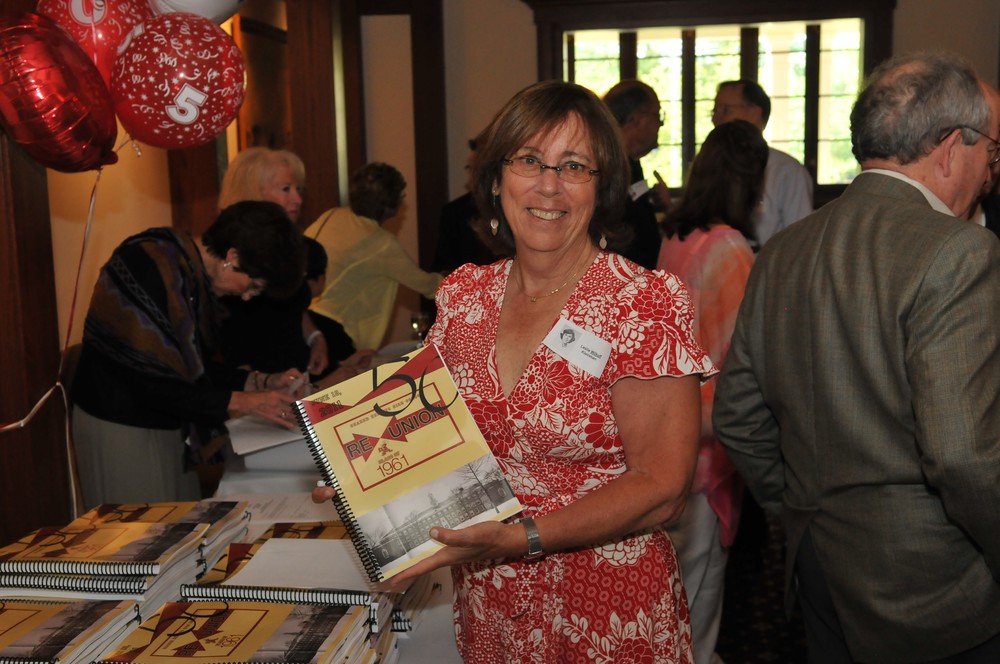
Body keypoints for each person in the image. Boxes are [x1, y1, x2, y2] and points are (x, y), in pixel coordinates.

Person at [317, 80, 715, 661]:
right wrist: (367, 480)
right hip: (492, 599)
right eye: (529, 160)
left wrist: (520, 538)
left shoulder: (642, 304)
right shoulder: (464, 297)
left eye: (574, 166)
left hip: (606, 608)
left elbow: (662, 489)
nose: (549, 185)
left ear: (601, 187)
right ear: (495, 179)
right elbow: (434, 437)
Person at [712, 52, 1000, 662]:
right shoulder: (961, 251)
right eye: (991, 153)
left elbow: (737, 416)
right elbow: (963, 456)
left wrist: (801, 505)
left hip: (817, 563)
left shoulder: (783, 249)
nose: (989, 174)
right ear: (953, 147)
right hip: (933, 584)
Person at [71, 201, 310, 508]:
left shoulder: (190, 277)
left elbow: (192, 368)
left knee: (177, 522)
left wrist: (260, 381)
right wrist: (242, 401)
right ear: (232, 256)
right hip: (121, 424)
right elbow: (146, 379)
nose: (248, 297)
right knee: (139, 529)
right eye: (253, 285)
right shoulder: (148, 264)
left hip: (166, 419)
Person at [657, 119, 767, 664]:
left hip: (666, 427)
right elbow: (747, 355)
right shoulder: (728, 247)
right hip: (706, 438)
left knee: (673, 585)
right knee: (697, 597)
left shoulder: (677, 235)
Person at [217, 147, 331, 378]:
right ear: (253, 192)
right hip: (262, 383)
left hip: (297, 375)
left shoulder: (290, 246)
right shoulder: (232, 252)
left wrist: (315, 338)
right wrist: (259, 385)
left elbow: (291, 308)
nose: (298, 199)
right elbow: (230, 333)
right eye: (286, 189)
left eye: (299, 189)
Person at [306, 162, 443, 350]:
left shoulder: (331, 215)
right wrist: (454, 278)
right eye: (401, 196)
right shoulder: (382, 243)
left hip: (305, 321)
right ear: (389, 206)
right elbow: (428, 286)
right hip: (336, 332)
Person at [711, 79, 813, 247]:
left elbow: (801, 239)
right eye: (714, 111)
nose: (716, 118)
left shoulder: (786, 171)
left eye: (725, 110)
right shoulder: (710, 165)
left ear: (754, 113)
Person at [603, 79, 671, 268]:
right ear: (637, 119)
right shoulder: (608, 168)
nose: (661, 123)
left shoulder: (629, 163)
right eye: (657, 115)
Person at [432, 130, 504, 273]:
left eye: (476, 169)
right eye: (469, 168)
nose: (472, 176)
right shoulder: (454, 212)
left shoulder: (515, 209)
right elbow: (443, 268)